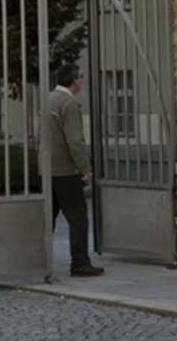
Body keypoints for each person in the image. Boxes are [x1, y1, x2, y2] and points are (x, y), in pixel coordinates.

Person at [43, 65, 102, 277]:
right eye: (81, 77)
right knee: (78, 216)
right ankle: (79, 262)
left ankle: (39, 260)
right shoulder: (69, 103)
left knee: (48, 217)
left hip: (48, 168)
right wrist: (84, 168)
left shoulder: (48, 99)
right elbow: (74, 140)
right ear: (74, 81)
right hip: (66, 170)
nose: (82, 81)